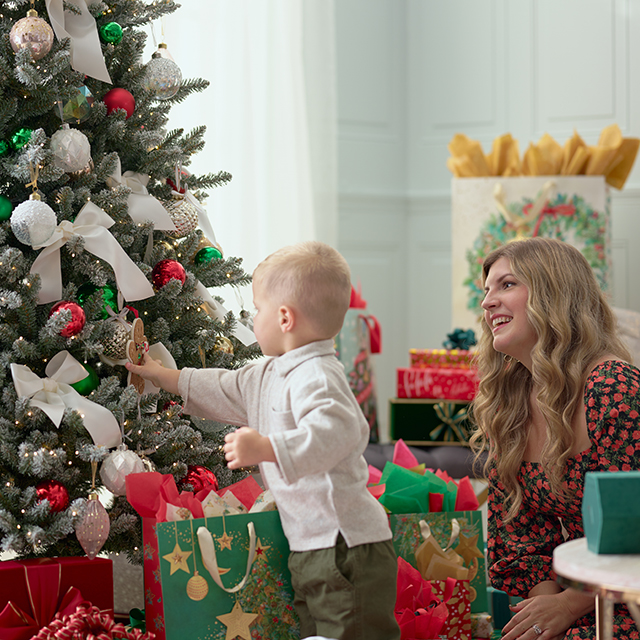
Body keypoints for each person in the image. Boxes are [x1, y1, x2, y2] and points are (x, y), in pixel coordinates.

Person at [126, 241, 400, 640]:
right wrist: (160, 374)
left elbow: (340, 432)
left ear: (285, 317)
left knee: (351, 631)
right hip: (308, 542)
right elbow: (220, 386)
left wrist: (268, 449)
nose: (253, 319)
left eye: (257, 309)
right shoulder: (269, 373)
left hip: (345, 544)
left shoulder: (318, 374)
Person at [470, 237, 640, 640]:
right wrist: (544, 615)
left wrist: (566, 606)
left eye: (507, 285)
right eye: (487, 290)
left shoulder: (613, 387)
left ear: (553, 294)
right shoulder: (509, 403)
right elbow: (521, 541)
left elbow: (634, 534)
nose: (488, 302)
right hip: (577, 601)